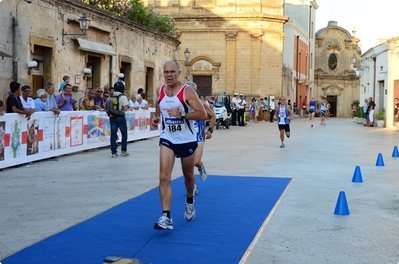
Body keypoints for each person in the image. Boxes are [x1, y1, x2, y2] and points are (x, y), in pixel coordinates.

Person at [152, 60, 206, 230]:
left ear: (179, 72)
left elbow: (202, 114)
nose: (169, 75)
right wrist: (156, 117)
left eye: (172, 72)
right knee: (163, 176)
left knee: (188, 175)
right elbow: (159, 106)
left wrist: (181, 113)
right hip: (168, 138)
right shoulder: (159, 90)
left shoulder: (187, 92)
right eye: (166, 72)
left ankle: (190, 199)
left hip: (186, 139)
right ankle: (166, 216)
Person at [185, 81, 216, 196]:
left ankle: (201, 166)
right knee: (188, 164)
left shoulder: (202, 103)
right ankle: (192, 186)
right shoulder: (181, 103)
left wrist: (210, 130)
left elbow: (213, 116)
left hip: (199, 134)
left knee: (196, 161)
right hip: (186, 136)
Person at [107, 81, 129, 158]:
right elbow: (125, 108)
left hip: (112, 118)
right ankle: (123, 150)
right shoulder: (122, 97)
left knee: (113, 134)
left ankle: (113, 152)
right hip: (120, 117)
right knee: (124, 133)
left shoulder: (110, 96)